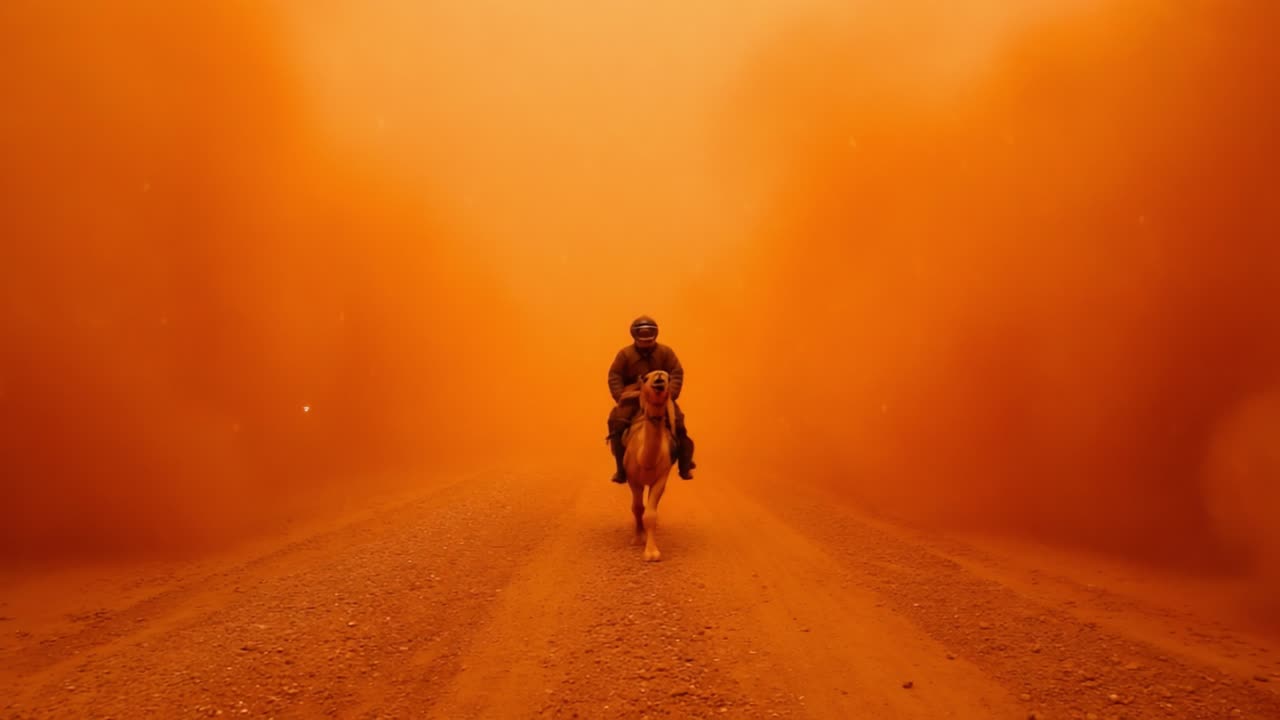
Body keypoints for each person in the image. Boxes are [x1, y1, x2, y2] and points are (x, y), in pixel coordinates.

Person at [606, 315, 696, 483]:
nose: (646, 342)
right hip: (633, 396)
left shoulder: (666, 352)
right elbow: (614, 375)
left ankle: (685, 465)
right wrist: (620, 397)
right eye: (643, 340)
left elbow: (676, 372)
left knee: (679, 423)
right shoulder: (625, 354)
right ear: (635, 337)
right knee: (616, 422)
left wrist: (672, 393)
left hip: (661, 396)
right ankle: (620, 469)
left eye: (649, 339)